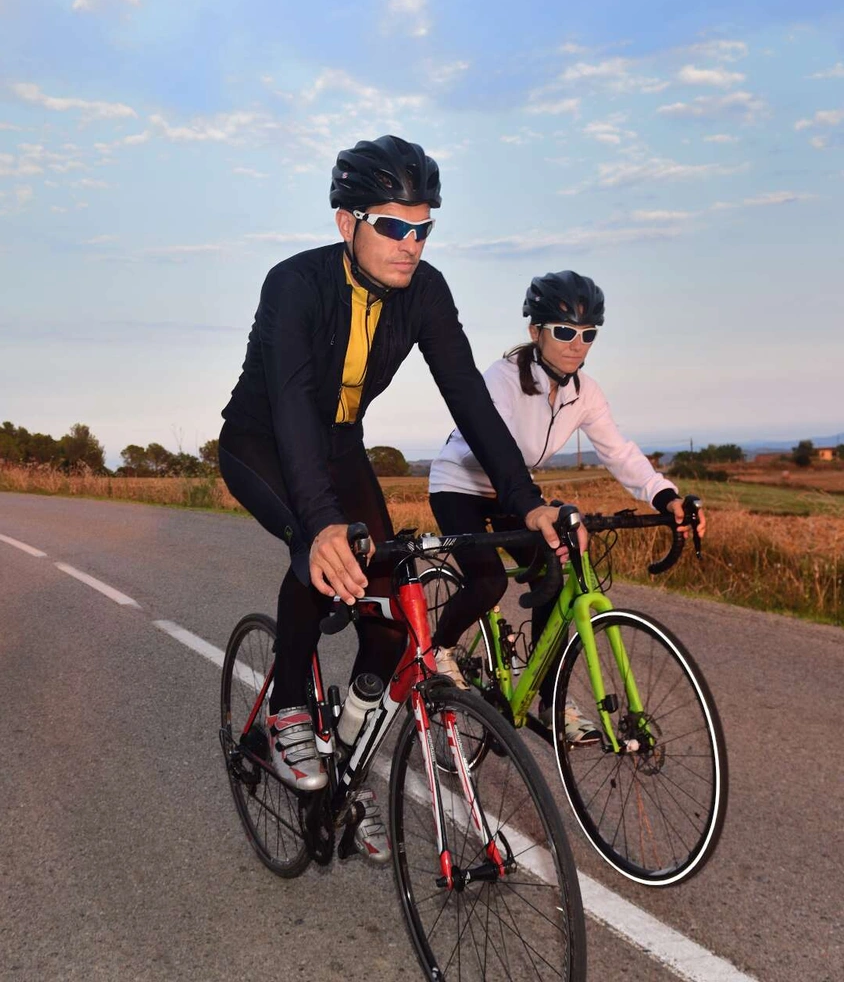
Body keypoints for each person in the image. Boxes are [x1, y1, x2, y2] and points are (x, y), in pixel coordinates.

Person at [218, 135, 564, 863]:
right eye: (394, 226)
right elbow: (289, 406)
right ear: (348, 223)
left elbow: (469, 397)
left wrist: (527, 500)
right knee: (323, 556)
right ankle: (286, 707)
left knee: (389, 620)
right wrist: (317, 528)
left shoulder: (426, 293)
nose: (412, 243)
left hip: (339, 446)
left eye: (424, 226)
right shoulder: (295, 284)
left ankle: (347, 769)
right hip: (264, 442)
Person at [428, 269, 706, 743]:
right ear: (535, 332)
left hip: (519, 495)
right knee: (490, 580)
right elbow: (496, 449)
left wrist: (665, 496)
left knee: (555, 575)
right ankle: (441, 649)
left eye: (588, 333)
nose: (577, 344)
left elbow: (617, 451)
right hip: (461, 487)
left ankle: (548, 691)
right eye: (563, 331)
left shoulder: (586, 392)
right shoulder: (502, 379)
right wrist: (538, 503)